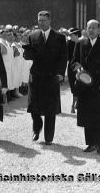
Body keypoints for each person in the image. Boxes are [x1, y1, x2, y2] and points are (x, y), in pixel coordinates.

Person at [23, 10, 68, 145]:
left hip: (52, 77)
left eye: (43, 20)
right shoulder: (33, 36)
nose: (40, 23)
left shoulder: (59, 37)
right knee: (34, 107)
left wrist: (60, 73)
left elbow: (63, 57)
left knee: (50, 108)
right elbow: (28, 56)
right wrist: (26, 50)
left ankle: (49, 136)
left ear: (49, 21)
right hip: (36, 76)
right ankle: (37, 128)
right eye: (39, 20)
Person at [71, 19, 100, 153]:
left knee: (98, 114)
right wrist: (77, 69)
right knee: (86, 114)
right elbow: (74, 62)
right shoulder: (80, 44)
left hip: (99, 85)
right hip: (85, 84)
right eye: (89, 28)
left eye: (94, 28)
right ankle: (90, 143)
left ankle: (98, 142)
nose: (91, 30)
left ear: (99, 30)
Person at [66, 27, 81, 114]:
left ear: (77, 35)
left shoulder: (83, 43)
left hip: (81, 68)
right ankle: (75, 103)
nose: (70, 37)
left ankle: (74, 105)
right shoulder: (69, 43)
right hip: (72, 68)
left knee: (79, 87)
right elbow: (66, 56)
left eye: (71, 35)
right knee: (73, 87)